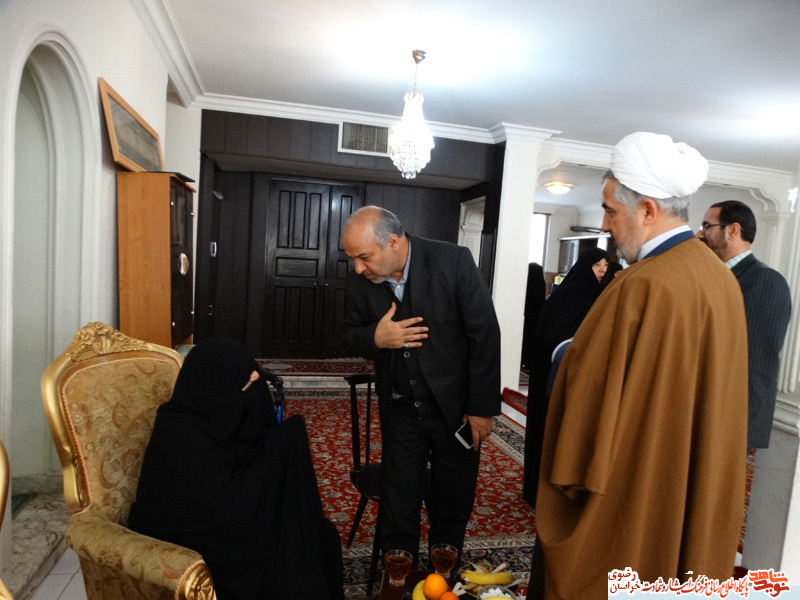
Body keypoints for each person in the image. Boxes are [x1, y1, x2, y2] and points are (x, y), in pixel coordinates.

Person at [534, 132, 749, 599]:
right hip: (684, 472)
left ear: (647, 210)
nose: (606, 224)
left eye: (611, 211)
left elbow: (591, 397)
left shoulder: (642, 284)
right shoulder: (720, 278)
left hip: (632, 482)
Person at [339, 206, 501, 566]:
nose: (358, 268)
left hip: (456, 411)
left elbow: (485, 334)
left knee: (452, 498)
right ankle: (398, 575)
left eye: (364, 257)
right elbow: (348, 335)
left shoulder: (453, 261)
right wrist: (376, 338)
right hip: (400, 408)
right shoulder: (359, 281)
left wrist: (481, 407)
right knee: (399, 499)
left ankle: (444, 571)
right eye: (353, 259)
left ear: (392, 242)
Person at [128, 338, 344, 600]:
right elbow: (220, 511)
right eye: (245, 381)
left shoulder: (219, 417)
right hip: (197, 545)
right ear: (211, 384)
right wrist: (281, 448)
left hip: (236, 526)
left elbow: (249, 451)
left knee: (319, 538)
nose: (255, 382)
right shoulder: (179, 433)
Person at [696, 200, 792, 450]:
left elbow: (754, 362)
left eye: (707, 226)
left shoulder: (765, 281)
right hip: (709, 415)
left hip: (734, 424)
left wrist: (736, 429)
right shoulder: (716, 276)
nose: (700, 233)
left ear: (732, 230)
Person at [522, 247, 610, 507]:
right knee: (548, 432)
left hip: (579, 383)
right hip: (552, 379)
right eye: (597, 265)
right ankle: (539, 491)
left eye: (605, 265)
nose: (602, 270)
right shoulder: (566, 296)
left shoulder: (600, 297)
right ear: (585, 266)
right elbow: (548, 338)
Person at [521, 262, 546, 371]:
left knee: (528, 339)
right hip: (534, 319)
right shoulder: (538, 284)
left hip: (531, 318)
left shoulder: (532, 285)